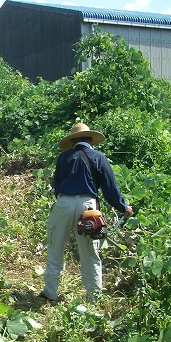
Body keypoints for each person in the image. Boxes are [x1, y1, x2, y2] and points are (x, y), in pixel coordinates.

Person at [40, 122, 133, 304]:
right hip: (88, 208)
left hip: (63, 203)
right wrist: (123, 208)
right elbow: (109, 189)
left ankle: (50, 293)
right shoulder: (99, 157)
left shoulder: (63, 158)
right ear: (91, 140)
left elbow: (57, 183)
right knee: (90, 253)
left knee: (55, 249)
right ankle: (94, 299)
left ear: (73, 141)